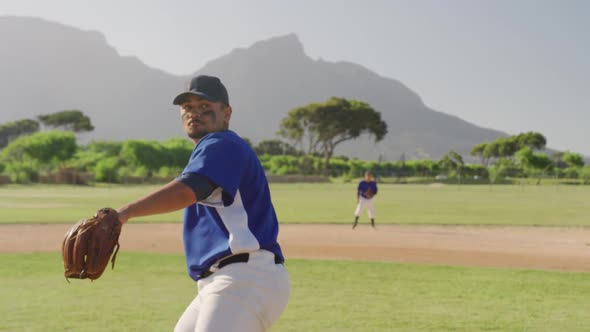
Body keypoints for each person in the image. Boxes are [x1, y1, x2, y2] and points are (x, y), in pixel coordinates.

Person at [116, 75, 290, 332]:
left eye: (205, 107)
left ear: (226, 113)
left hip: (245, 276)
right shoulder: (208, 150)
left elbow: (188, 190)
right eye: (187, 107)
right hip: (221, 281)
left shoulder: (222, 143)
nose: (194, 113)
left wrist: (124, 213)